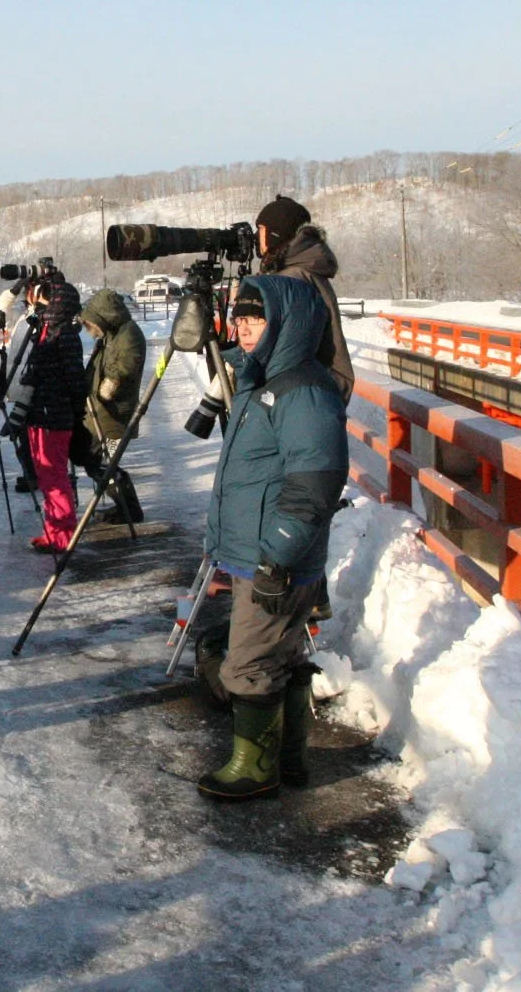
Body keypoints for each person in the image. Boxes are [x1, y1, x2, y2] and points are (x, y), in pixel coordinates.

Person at [197, 277, 348, 800]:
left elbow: (315, 482)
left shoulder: (300, 388)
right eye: (238, 320)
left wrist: (276, 556)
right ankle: (289, 759)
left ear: (285, 323)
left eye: (254, 320)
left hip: (274, 556)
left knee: (249, 664)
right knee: (278, 656)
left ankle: (255, 769)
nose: (241, 330)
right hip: (258, 551)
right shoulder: (262, 379)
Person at [3, 280, 86, 552]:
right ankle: (53, 531)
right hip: (42, 412)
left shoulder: (64, 335)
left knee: (55, 476)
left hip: (54, 414)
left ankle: (62, 535)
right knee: (46, 475)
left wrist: (75, 407)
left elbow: (74, 378)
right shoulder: (48, 330)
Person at [255, 195, 354, 401]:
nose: (257, 237)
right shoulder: (303, 271)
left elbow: (281, 350)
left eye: (261, 229)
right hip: (313, 389)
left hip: (302, 395)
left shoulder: (292, 280)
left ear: (275, 233)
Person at [75, 288, 146, 524]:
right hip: (98, 409)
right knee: (91, 458)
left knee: (98, 460)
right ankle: (126, 506)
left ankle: (128, 507)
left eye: (90, 324)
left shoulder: (129, 334)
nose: (89, 330)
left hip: (111, 411)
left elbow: (126, 365)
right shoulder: (113, 334)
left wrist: (109, 386)